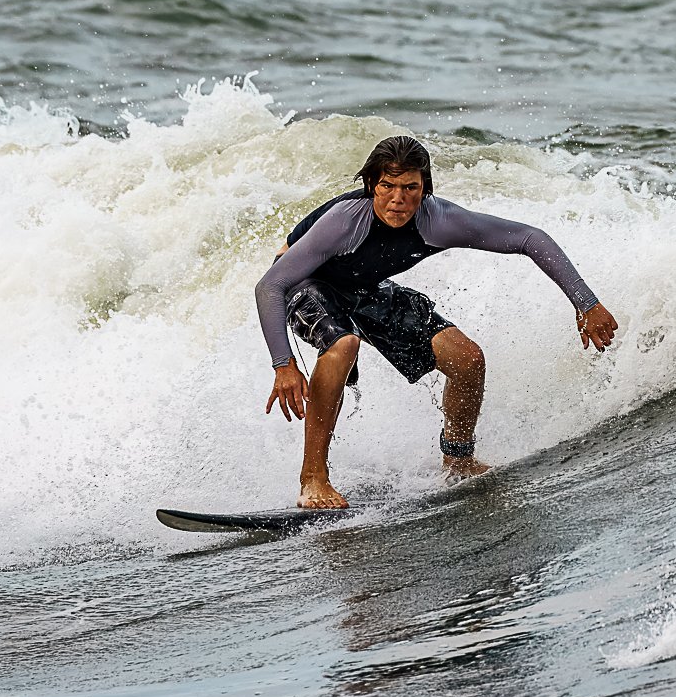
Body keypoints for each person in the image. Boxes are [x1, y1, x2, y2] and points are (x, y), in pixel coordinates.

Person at [255, 135, 618, 509]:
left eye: (410, 187)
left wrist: (586, 304)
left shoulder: (439, 220)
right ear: (371, 186)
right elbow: (270, 285)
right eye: (387, 186)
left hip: (363, 287)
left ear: (425, 188)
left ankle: (458, 459)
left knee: (467, 358)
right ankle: (313, 478)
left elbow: (529, 238)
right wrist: (284, 365)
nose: (398, 199)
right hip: (302, 283)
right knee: (342, 344)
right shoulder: (346, 221)